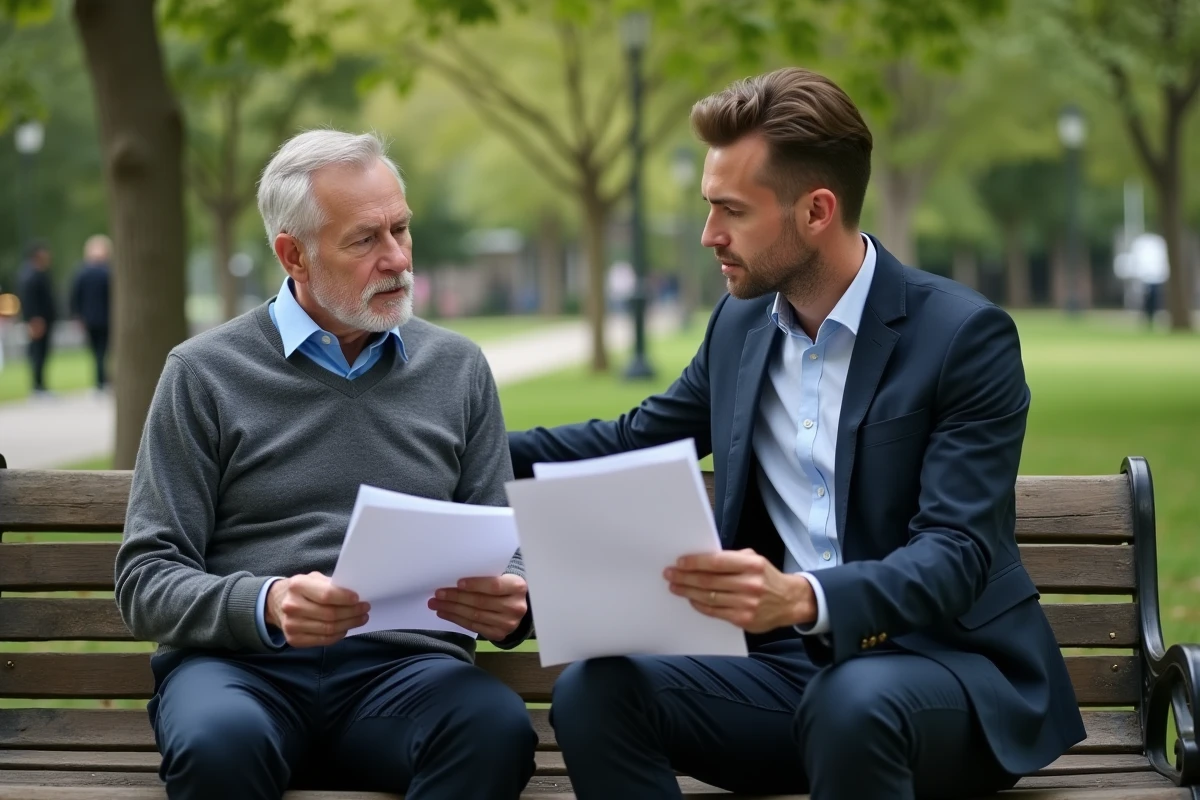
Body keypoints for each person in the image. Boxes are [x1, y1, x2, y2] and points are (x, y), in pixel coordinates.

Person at [509, 67, 1086, 800]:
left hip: (948, 673)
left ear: (816, 210)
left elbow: (957, 554)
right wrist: (457, 440)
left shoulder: (963, 337)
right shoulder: (742, 325)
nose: (707, 235)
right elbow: (635, 437)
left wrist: (806, 598)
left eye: (731, 211)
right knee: (597, 690)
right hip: (788, 676)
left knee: (854, 705)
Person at [115, 129, 537, 800]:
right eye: (365, 240)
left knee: (495, 731)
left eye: (400, 229)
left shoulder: (457, 369)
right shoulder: (203, 373)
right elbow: (145, 578)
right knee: (218, 747)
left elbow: (507, 541)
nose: (397, 258)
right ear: (294, 255)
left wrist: (516, 598)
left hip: (403, 674)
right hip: (243, 671)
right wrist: (269, 602)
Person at [69, 234, 112, 391]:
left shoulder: (81, 273)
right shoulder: (108, 272)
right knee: (103, 351)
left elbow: (75, 297)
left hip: (89, 319)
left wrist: (77, 316)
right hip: (106, 318)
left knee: (96, 352)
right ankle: (102, 380)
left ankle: (100, 381)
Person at [15, 240, 56, 397]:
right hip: (37, 320)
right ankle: (37, 386)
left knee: (42, 352)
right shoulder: (31, 275)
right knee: (37, 352)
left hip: (42, 319)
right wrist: (34, 319)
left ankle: (40, 385)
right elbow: (29, 300)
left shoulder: (37, 273)